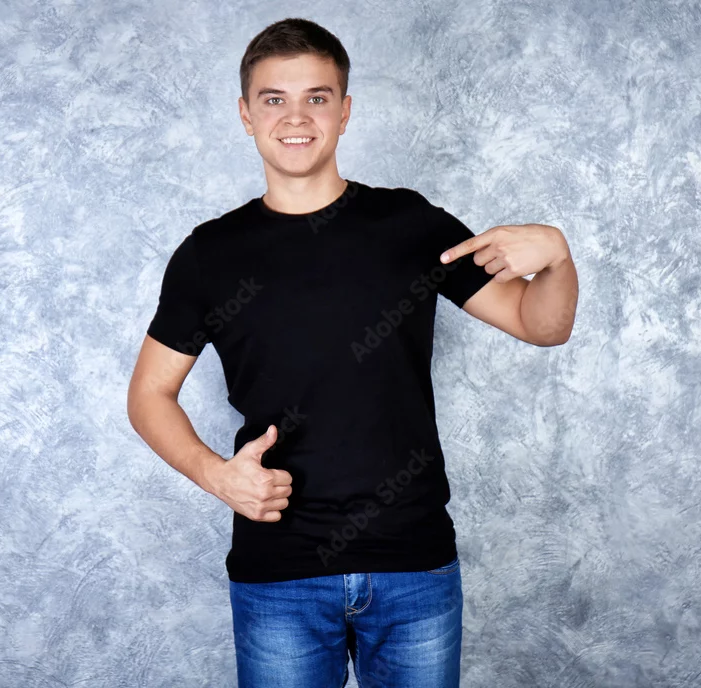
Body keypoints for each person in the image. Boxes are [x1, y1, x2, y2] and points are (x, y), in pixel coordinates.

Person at [127, 17, 578, 688]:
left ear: (344, 111)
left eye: (317, 96)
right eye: (274, 99)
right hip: (279, 572)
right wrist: (216, 475)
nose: (296, 116)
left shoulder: (410, 226)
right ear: (246, 115)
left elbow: (539, 325)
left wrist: (557, 260)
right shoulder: (209, 255)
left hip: (413, 565)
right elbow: (148, 395)